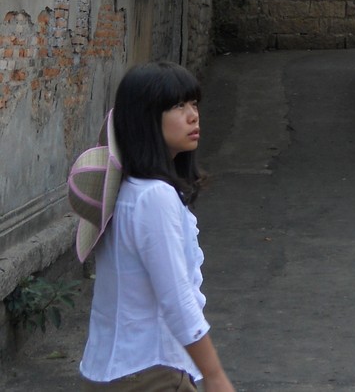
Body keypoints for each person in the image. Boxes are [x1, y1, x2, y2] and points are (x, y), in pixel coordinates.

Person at [69, 60, 237, 392]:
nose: (193, 115)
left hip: (112, 369)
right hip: (150, 372)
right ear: (146, 119)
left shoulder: (128, 190)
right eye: (177, 106)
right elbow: (176, 298)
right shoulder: (154, 197)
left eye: (193, 103)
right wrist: (214, 375)